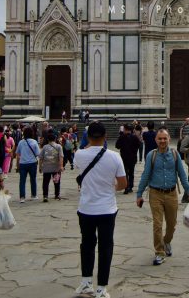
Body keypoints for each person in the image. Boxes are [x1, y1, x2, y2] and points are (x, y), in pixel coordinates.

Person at [74, 121, 127, 298]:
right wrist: (110, 189)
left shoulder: (79, 155)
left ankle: (86, 282)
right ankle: (101, 288)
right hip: (107, 209)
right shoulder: (115, 157)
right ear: (106, 136)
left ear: (88, 137)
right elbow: (123, 184)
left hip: (86, 209)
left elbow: (81, 165)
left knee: (86, 245)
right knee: (105, 248)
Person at [136, 127, 189, 266]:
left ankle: (166, 241)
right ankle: (159, 252)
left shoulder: (175, 154)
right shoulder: (151, 155)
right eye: (160, 138)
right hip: (155, 194)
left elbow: (182, 174)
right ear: (156, 140)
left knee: (172, 224)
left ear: (169, 139)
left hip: (172, 193)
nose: (162, 141)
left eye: (164, 138)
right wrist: (139, 194)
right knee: (157, 224)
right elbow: (145, 175)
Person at [16, 126, 40, 202]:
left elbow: (18, 154)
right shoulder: (34, 142)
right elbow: (38, 153)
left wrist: (17, 165)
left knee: (22, 181)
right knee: (33, 179)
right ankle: (33, 195)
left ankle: (22, 197)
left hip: (23, 163)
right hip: (32, 163)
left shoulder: (21, 142)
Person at [39, 130, 63, 202]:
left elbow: (41, 158)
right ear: (55, 139)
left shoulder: (44, 147)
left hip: (46, 168)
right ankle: (57, 195)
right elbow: (61, 157)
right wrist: (61, 166)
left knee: (45, 182)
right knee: (57, 181)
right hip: (56, 168)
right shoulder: (58, 146)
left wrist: (40, 167)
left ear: (48, 140)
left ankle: (45, 196)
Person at [115, 124, 140, 194]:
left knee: (125, 172)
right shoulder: (135, 137)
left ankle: (126, 187)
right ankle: (130, 187)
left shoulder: (122, 137)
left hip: (124, 157)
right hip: (133, 157)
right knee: (131, 173)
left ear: (125, 129)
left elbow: (117, 146)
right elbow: (138, 145)